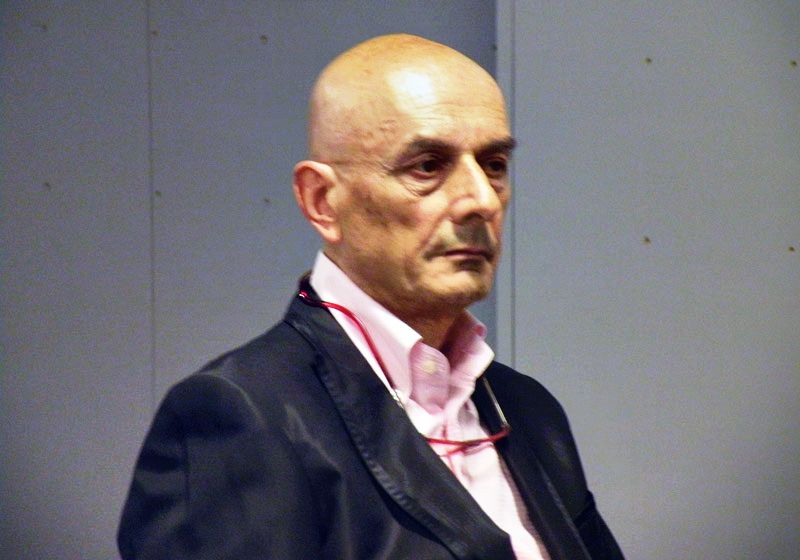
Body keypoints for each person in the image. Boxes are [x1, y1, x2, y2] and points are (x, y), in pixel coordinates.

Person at [118, 34, 624, 560]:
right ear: (322, 201)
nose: (480, 200)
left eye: (494, 164)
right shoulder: (241, 417)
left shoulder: (530, 411)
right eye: (427, 167)